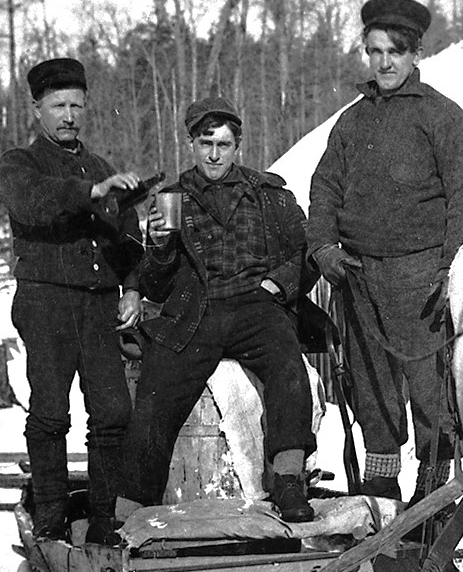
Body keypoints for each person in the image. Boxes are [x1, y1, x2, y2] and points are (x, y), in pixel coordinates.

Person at [307, 0, 463, 506]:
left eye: (395, 52)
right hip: (359, 281)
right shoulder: (351, 123)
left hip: (423, 282)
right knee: (373, 396)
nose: (384, 62)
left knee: (434, 398)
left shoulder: (443, 118)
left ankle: (431, 511)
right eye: (375, 51)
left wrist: (450, 270)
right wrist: (323, 249)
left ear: (415, 54)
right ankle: (381, 507)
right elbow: (324, 191)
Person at [121, 96, 318, 523]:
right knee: (159, 381)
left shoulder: (269, 195)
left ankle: (287, 480)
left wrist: (277, 285)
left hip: (257, 306)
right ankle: (133, 505)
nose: (214, 154)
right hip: (198, 312)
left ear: (238, 146)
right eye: (205, 142)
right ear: (191, 143)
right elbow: (155, 285)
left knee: (287, 363)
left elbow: (306, 251)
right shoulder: (170, 199)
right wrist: (157, 245)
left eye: (223, 144)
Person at [0, 57, 147, 545]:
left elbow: (128, 240)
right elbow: (32, 202)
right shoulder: (20, 163)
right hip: (46, 304)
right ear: (36, 108)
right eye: (58, 105)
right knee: (50, 412)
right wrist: (91, 192)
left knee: (112, 412)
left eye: (77, 106)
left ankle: (102, 518)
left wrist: (133, 288)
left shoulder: (102, 168)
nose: (68, 116)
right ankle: (51, 513)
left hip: (100, 307)